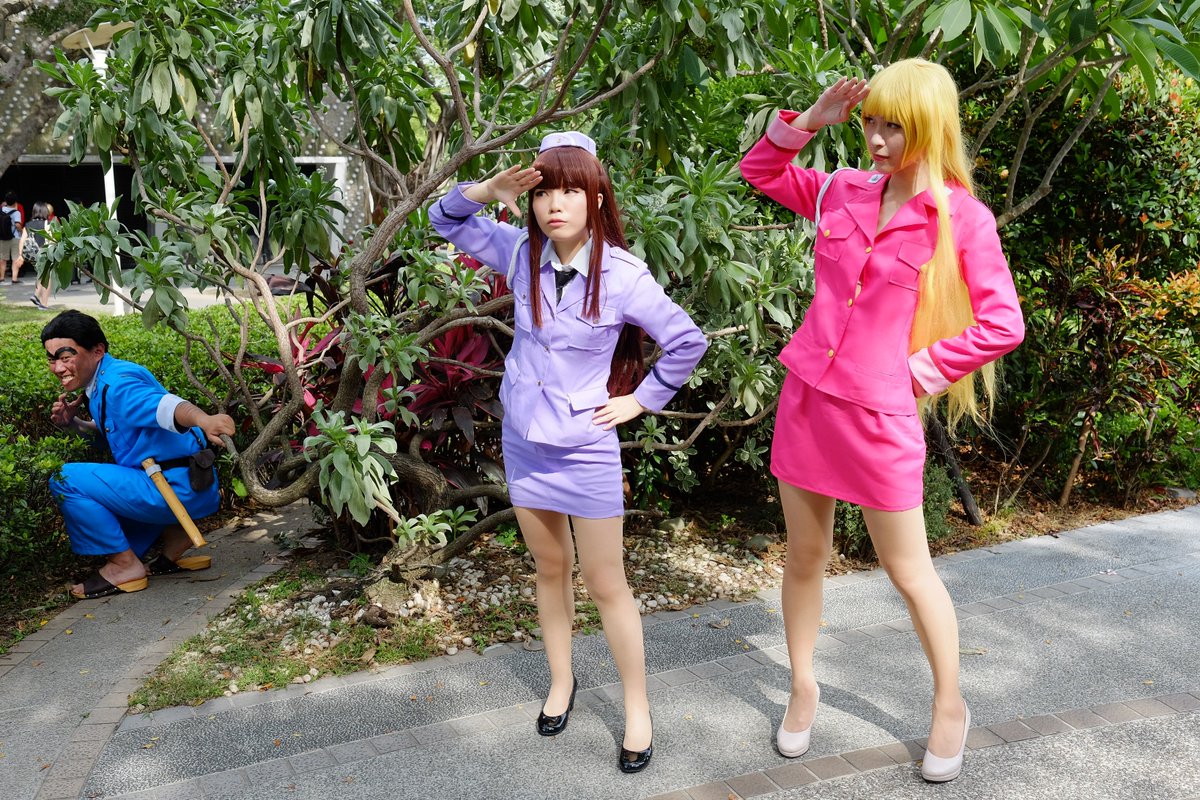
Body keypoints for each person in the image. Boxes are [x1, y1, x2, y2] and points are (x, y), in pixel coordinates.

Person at [739, 59, 1025, 783]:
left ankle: (950, 703)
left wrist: (916, 373)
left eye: (893, 126)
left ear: (929, 126)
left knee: (908, 570)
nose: (876, 138)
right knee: (804, 556)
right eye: (870, 122)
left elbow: (1003, 324)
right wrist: (811, 121)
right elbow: (760, 171)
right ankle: (804, 686)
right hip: (807, 400)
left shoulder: (962, 218)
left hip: (881, 419)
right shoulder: (841, 190)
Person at [428, 132, 707, 773]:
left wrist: (640, 401)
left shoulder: (623, 275)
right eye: (544, 192)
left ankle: (637, 708)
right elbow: (445, 220)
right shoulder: (519, 252)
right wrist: (488, 190)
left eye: (571, 191)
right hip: (525, 442)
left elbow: (687, 341)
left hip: (585, 449)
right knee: (549, 568)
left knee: (606, 583)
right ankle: (561, 681)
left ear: (596, 197)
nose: (555, 204)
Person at [42, 310, 236, 600]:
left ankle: (124, 566)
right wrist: (73, 424)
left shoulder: (118, 385)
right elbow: (117, 434)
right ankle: (174, 539)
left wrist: (204, 419)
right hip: (194, 485)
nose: (58, 367)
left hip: (173, 490)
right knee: (126, 538)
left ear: (97, 351)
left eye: (65, 356)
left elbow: (166, 407)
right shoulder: (104, 379)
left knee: (65, 479)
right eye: (51, 359)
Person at [24, 201, 53, 309]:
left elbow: (23, 240)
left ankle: (37, 297)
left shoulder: (28, 224)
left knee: (41, 275)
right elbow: (52, 239)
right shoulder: (48, 224)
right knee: (47, 278)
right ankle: (43, 303)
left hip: (33, 255)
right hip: (45, 253)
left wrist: (21, 255)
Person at [0, 191, 22, 284]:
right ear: (15, 202)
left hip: (2, 237)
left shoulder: (1, 210)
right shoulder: (17, 213)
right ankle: (14, 278)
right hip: (14, 237)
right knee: (15, 258)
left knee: (2, 258)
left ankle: (1, 277)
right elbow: (17, 225)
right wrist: (21, 231)